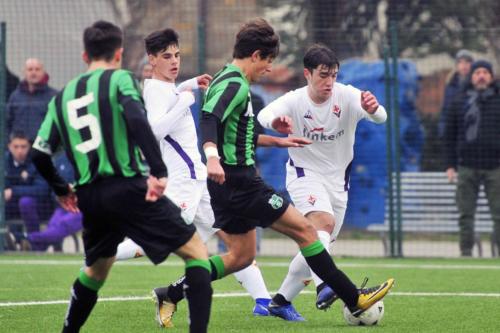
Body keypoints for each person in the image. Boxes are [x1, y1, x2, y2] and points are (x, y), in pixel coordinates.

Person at [153, 18, 394, 326]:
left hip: (229, 185)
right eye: (267, 61)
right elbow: (209, 118)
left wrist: (279, 141)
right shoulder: (234, 84)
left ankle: (170, 293)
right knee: (308, 232)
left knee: (239, 257)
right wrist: (211, 156)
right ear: (255, 55)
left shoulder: (227, 78)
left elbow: (241, 134)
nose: (268, 69)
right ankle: (353, 298)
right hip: (240, 183)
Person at [30, 21, 212, 333]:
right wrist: (158, 171)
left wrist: (62, 188)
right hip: (127, 187)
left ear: (85, 54)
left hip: (89, 196)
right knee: (197, 253)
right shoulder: (121, 80)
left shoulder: (63, 97)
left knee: (96, 271)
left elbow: (39, 153)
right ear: (119, 53)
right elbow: (138, 120)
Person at [114, 28, 273, 326]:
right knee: (158, 241)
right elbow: (155, 132)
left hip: (199, 181)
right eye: (166, 57)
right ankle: (104, 252)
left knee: (234, 239)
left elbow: (172, 98)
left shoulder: (169, 88)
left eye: (176, 55)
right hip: (183, 184)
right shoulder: (156, 91)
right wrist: (185, 101)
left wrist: (189, 85)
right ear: (152, 60)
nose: (174, 61)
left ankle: (264, 301)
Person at [257, 44, 388, 320]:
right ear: (307, 74)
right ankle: (325, 286)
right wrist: (276, 122)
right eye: (323, 75)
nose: (329, 82)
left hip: (338, 183)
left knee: (317, 244)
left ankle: (280, 302)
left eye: (334, 75)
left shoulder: (348, 96)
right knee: (322, 225)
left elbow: (381, 118)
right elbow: (263, 115)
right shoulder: (295, 100)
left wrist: (374, 109)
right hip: (304, 174)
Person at [443, 60, 500, 257]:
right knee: (466, 214)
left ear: (491, 77)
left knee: (499, 214)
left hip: (496, 167)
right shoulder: (459, 101)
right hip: (467, 166)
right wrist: (450, 165)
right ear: (471, 77)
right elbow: (449, 135)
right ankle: (466, 252)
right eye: (478, 73)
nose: (481, 76)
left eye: (485, 72)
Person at [22, 154, 83, 252]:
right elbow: (53, 185)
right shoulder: (60, 159)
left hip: (82, 208)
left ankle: (26, 238)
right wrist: (58, 195)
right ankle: (36, 249)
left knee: (63, 224)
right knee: (53, 227)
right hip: (62, 205)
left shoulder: (90, 157)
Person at [5, 131, 51, 237]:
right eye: (16, 146)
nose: (19, 150)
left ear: (29, 146)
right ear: (9, 146)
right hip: (10, 207)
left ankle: (34, 241)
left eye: (23, 146)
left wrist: (13, 191)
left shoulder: (39, 161)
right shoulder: (3, 162)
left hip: (39, 207)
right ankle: (10, 240)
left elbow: (42, 190)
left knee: (25, 202)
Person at [6, 58, 57, 141]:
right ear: (24, 73)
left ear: (43, 72)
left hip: (43, 147)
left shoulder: (53, 97)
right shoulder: (15, 96)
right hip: (20, 148)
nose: (33, 73)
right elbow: (7, 122)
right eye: (30, 69)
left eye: (37, 69)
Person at [439, 50, 474, 137]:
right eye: (460, 62)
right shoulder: (450, 85)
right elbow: (445, 110)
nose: (464, 65)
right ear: (457, 65)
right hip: (454, 131)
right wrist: (442, 130)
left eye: (467, 62)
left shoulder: (477, 84)